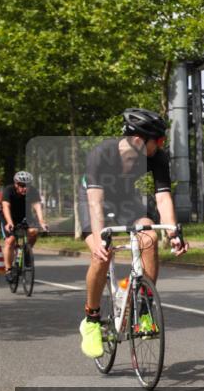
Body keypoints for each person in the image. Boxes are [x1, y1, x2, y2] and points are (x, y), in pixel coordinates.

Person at [77, 108, 189, 358]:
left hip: (125, 200)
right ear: (139, 140)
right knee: (101, 255)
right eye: (158, 140)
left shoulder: (157, 157)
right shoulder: (101, 154)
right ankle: (92, 319)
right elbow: (95, 203)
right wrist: (99, 239)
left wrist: (173, 232)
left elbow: (163, 199)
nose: (161, 145)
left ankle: (144, 308)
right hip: (94, 201)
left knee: (149, 237)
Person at [1, 171, 50, 282]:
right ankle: (8, 270)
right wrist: (9, 222)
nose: (25, 188)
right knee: (10, 241)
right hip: (9, 217)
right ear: (16, 184)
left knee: (34, 231)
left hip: (25, 216)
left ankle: (26, 252)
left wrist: (42, 221)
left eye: (27, 185)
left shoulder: (33, 191)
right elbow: (6, 207)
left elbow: (37, 206)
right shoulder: (9, 190)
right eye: (22, 186)